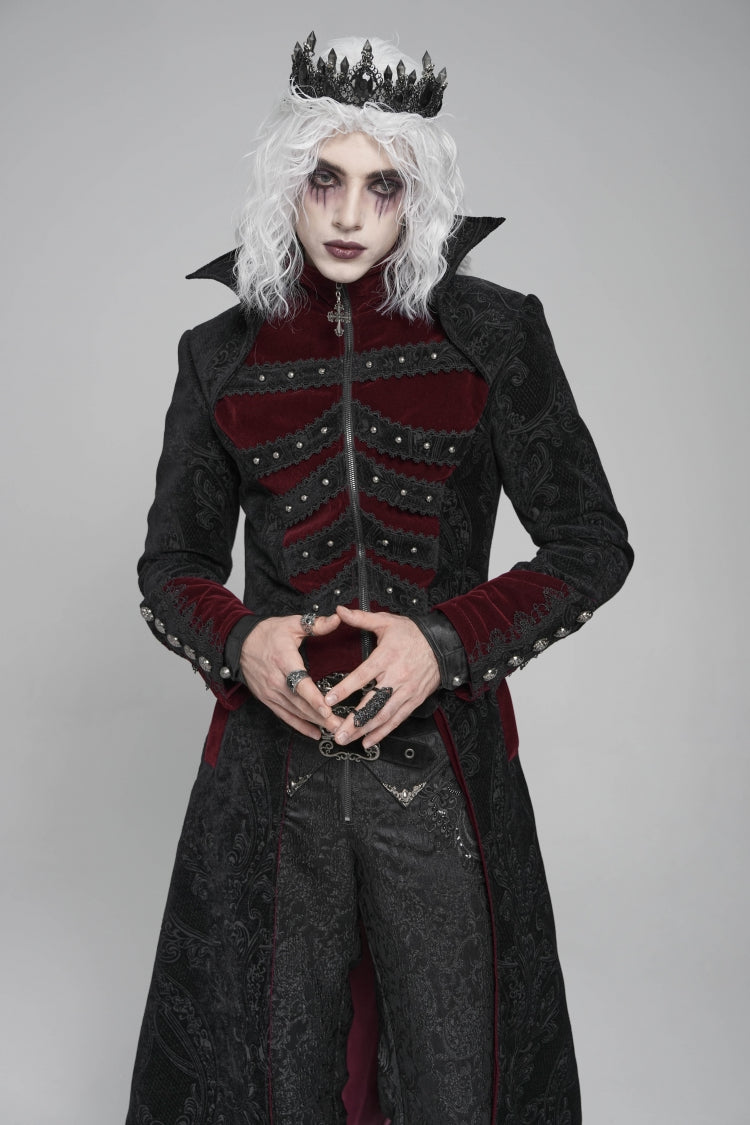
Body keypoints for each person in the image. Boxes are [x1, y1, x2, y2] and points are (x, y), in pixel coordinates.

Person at [126, 32, 633, 1125]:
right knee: (267, 1081)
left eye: (383, 185)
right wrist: (243, 639)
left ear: (420, 194)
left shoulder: (495, 334)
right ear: (287, 181)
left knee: (460, 1084)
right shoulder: (219, 353)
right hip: (271, 777)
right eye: (326, 180)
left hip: (444, 775)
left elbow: (591, 542)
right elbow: (172, 566)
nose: (351, 214)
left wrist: (443, 643)